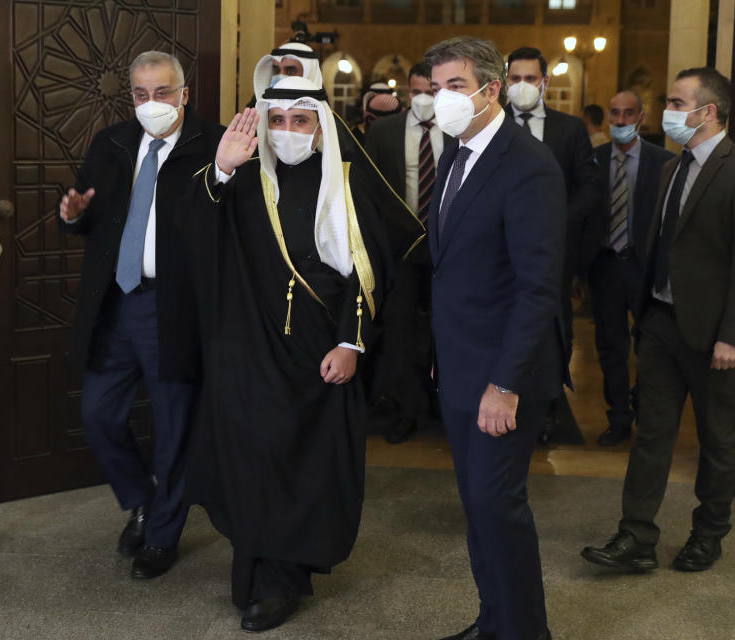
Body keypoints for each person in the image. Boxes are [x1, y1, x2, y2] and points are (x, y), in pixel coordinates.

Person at [184, 76, 395, 632]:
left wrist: (352, 341)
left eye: (299, 121)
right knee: (254, 461)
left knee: (301, 464)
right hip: (246, 349)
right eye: (275, 121)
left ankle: (284, 580)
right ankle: (256, 575)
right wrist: (224, 167)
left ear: (320, 126)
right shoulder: (242, 179)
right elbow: (194, 238)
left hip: (317, 350)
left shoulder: (344, 182)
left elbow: (368, 270)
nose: (286, 131)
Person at [582, 67, 735, 574]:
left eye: (677, 102)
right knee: (652, 434)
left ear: (707, 112)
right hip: (660, 323)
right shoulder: (671, 167)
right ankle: (636, 535)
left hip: (715, 336)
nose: (669, 111)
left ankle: (709, 533)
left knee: (718, 437)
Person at [57, 51, 223, 580]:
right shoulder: (111, 142)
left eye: (163, 93)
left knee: (175, 426)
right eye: (140, 94)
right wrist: (73, 218)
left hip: (175, 306)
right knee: (99, 415)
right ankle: (143, 499)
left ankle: (162, 535)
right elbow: (90, 214)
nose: (151, 104)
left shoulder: (215, 146)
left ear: (184, 94)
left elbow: (229, 226)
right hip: (115, 302)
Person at [425, 36, 566, 640]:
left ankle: (523, 632)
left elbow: (537, 290)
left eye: (455, 87)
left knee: (498, 508)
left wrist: (504, 384)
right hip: (460, 365)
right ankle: (495, 623)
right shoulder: (459, 153)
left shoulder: (528, 164)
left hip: (502, 376)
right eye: (435, 89)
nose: (442, 99)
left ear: (493, 87)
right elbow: (455, 268)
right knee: (479, 510)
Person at [505, 46, 602, 445]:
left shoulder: (569, 129)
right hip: (501, 250)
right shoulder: (492, 125)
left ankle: (548, 407)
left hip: (552, 250)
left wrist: (555, 222)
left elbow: (590, 188)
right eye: (516, 79)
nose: (523, 86)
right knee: (505, 320)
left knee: (554, 325)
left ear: (545, 82)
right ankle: (505, 393)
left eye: (531, 79)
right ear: (504, 83)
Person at [583, 91, 674, 446]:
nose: (620, 121)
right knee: (610, 346)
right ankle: (619, 415)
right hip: (605, 266)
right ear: (608, 116)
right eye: (615, 113)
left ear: (642, 118)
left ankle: (645, 404)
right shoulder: (593, 159)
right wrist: (579, 271)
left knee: (650, 344)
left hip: (645, 266)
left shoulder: (664, 162)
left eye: (628, 113)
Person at [365, 62, 448, 443]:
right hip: (400, 251)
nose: (424, 99)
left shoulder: (458, 128)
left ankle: (445, 405)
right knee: (399, 331)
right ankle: (404, 408)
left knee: (446, 329)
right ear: (407, 94)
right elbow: (369, 193)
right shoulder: (384, 133)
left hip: (449, 249)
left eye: (431, 91)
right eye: (417, 92)